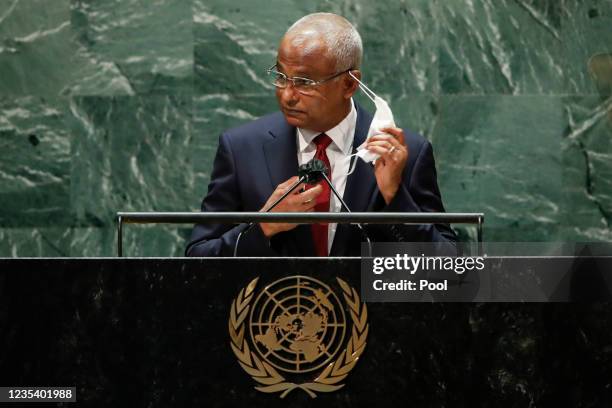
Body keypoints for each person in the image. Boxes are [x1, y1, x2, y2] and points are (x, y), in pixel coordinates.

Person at [186, 13, 456, 257]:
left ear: (349, 83)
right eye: (281, 76)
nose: (287, 95)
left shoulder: (404, 154)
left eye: (304, 83)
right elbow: (197, 258)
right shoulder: (242, 150)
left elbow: (450, 269)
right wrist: (263, 226)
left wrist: (395, 198)